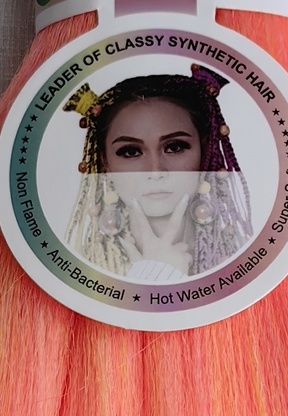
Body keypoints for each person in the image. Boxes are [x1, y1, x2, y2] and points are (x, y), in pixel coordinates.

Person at [60, 63, 253, 281]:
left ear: (205, 149)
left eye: (174, 147)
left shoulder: (247, 261)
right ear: (105, 163)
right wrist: (158, 273)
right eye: (131, 151)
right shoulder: (74, 271)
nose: (155, 170)